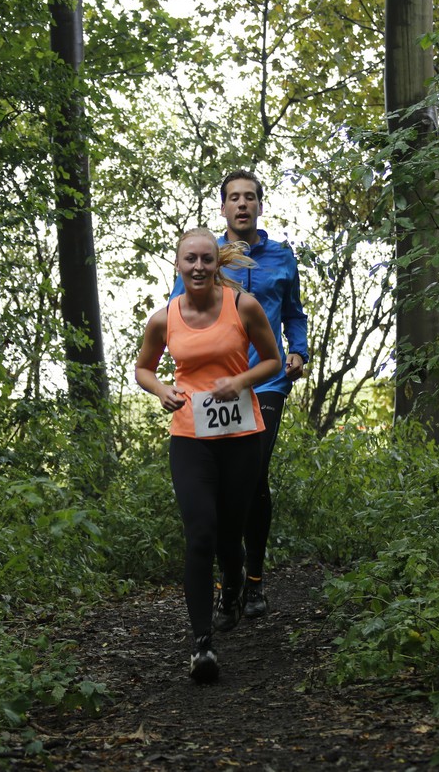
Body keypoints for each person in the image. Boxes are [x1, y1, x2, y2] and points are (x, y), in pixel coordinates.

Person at [136, 227, 282, 683]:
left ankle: (233, 582)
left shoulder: (243, 306)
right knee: (200, 534)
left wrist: (239, 382)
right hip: (190, 437)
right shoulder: (164, 319)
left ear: (217, 263)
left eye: (206, 259)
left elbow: (272, 361)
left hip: (241, 437)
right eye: (190, 260)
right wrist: (162, 389)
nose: (198, 267)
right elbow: (143, 368)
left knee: (229, 535)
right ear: (178, 265)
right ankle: (202, 645)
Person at [170, 169, 309, 620]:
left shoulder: (281, 257)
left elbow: (294, 313)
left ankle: (254, 581)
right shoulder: (206, 258)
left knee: (253, 473)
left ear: (260, 206)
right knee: (224, 482)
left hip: (265, 380)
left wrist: (298, 351)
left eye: (250, 197)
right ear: (223, 207)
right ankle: (232, 572)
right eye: (234, 197)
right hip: (214, 387)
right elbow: (177, 312)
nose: (242, 204)